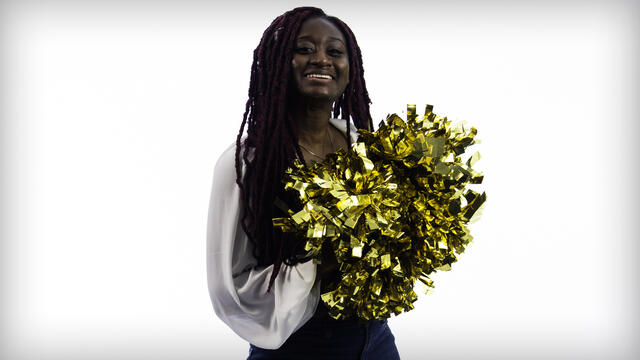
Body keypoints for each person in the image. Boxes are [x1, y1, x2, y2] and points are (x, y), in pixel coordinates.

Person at [207, 7, 401, 359]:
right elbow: (229, 289)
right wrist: (319, 265)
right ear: (279, 62)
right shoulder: (247, 163)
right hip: (300, 345)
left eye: (335, 51)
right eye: (304, 48)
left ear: (350, 68)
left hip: (376, 339)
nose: (322, 59)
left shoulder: (363, 145)